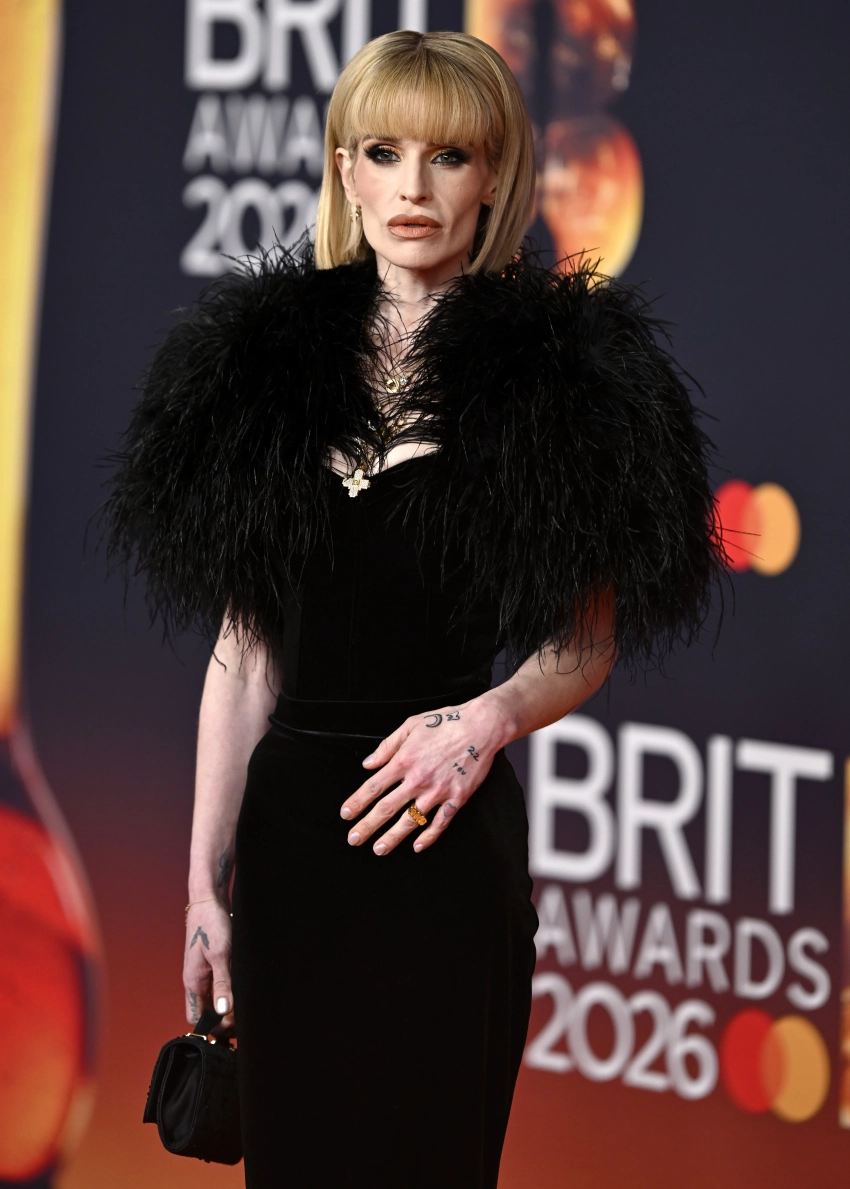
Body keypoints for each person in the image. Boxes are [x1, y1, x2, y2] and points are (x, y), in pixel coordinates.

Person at [103, 29, 724, 1189]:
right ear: (344, 170)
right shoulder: (264, 365)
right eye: (383, 152)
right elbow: (243, 652)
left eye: (448, 156)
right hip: (291, 852)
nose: (412, 188)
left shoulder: (561, 377)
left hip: (443, 841)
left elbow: (585, 641)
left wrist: (482, 723)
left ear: (493, 177)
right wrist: (200, 889)